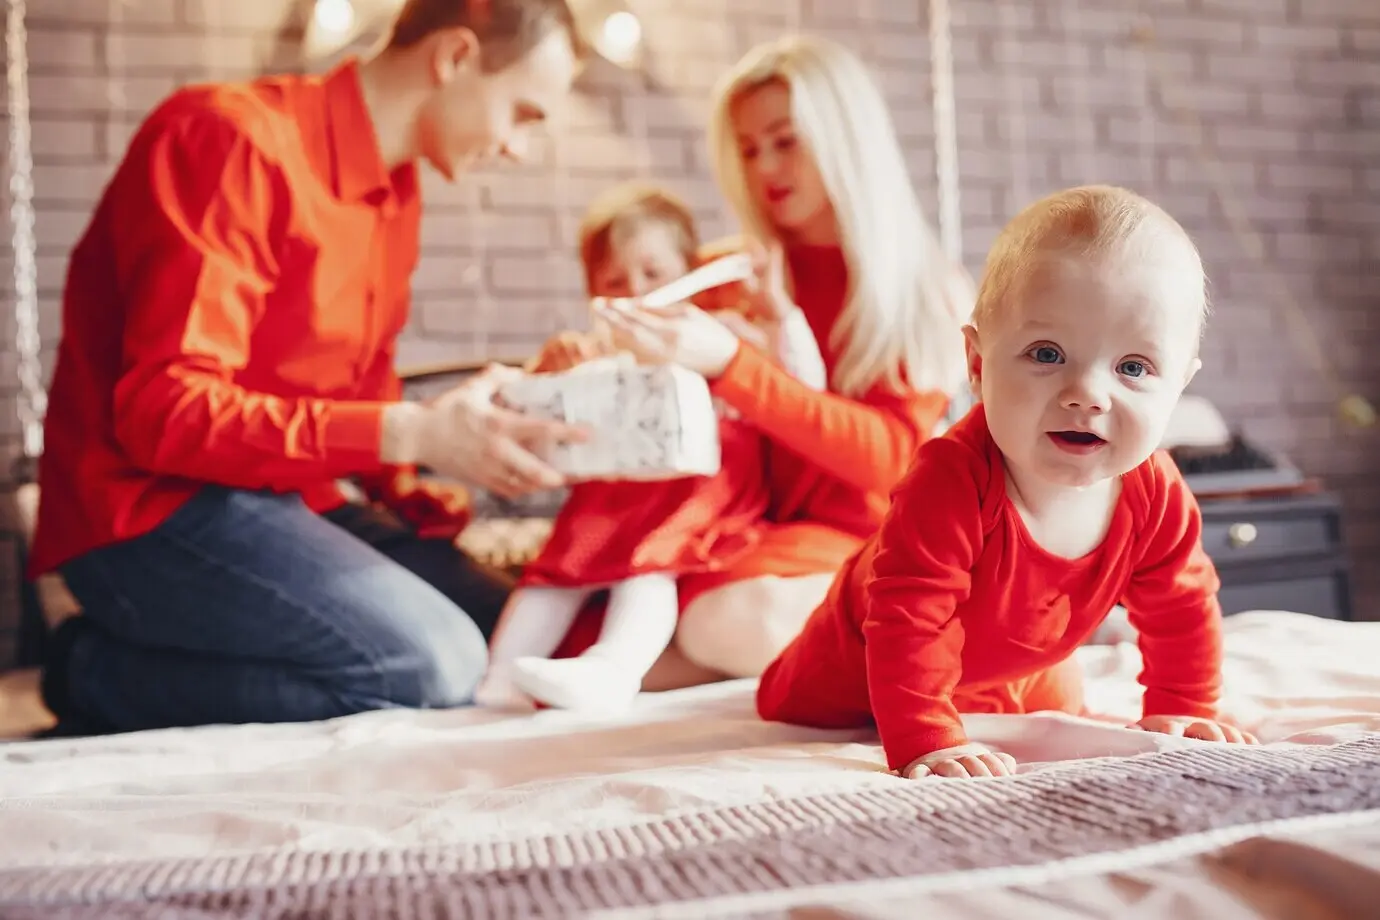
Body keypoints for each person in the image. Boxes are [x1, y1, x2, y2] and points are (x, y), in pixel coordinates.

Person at [29, 0, 589, 735]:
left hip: (285, 499)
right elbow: (165, 412)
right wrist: (412, 433)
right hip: (150, 513)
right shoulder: (230, 138)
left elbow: (359, 390)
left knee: (520, 633)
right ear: (454, 57)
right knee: (435, 666)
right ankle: (95, 673)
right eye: (522, 113)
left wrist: (426, 471)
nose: (517, 147)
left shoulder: (397, 192)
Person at [755, 185, 1259, 781]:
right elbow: (910, 617)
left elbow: (1182, 604)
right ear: (976, 364)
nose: (1087, 394)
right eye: (1047, 354)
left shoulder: (1155, 491)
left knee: (1055, 703)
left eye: (1133, 368)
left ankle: (984, 695)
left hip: (1011, 659)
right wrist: (928, 740)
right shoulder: (951, 478)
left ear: (1178, 386)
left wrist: (1183, 707)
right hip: (857, 662)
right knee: (794, 704)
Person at [543, 34, 974, 684]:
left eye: (785, 140)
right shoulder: (721, 274)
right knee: (584, 628)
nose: (765, 167)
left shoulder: (924, 290)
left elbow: (891, 459)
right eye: (747, 149)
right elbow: (630, 391)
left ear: (844, 139)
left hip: (857, 543)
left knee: (711, 623)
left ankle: (949, 645)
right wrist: (570, 368)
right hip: (731, 535)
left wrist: (732, 366)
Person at [476, 183, 826, 713]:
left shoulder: (722, 332)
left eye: (653, 274)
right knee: (553, 572)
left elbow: (803, 389)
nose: (636, 291)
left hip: (700, 494)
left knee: (649, 567)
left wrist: (778, 316)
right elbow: (545, 415)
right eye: (616, 282)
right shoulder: (597, 348)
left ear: (688, 273)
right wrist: (555, 371)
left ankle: (614, 667)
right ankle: (497, 679)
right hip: (613, 497)